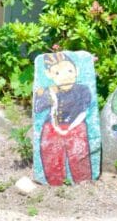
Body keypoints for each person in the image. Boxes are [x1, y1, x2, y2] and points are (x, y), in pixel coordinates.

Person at [34, 53, 93, 185]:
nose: (65, 76)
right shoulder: (47, 91)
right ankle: (55, 183)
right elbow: (38, 108)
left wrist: (70, 129)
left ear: (77, 70)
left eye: (70, 70)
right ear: (49, 74)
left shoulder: (83, 89)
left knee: (79, 154)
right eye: (58, 73)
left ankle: (83, 181)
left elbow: (84, 112)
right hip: (51, 128)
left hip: (76, 126)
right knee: (52, 157)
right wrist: (50, 97)